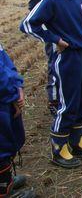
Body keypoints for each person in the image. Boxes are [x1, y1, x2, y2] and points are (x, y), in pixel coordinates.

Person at [20, 0, 82, 169]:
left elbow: (80, 16)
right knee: (69, 101)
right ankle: (59, 148)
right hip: (67, 57)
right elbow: (27, 24)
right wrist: (55, 39)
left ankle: (77, 141)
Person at [28, 0, 74, 116]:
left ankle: (67, 99)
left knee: (66, 66)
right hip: (55, 31)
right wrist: (52, 36)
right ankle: (55, 103)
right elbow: (34, 8)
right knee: (56, 67)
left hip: (67, 28)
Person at [0, 43, 35, 197]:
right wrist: (12, 95)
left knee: (7, 139)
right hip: (3, 95)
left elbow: (5, 61)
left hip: (5, 94)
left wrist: (17, 86)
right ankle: (3, 191)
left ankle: (5, 180)